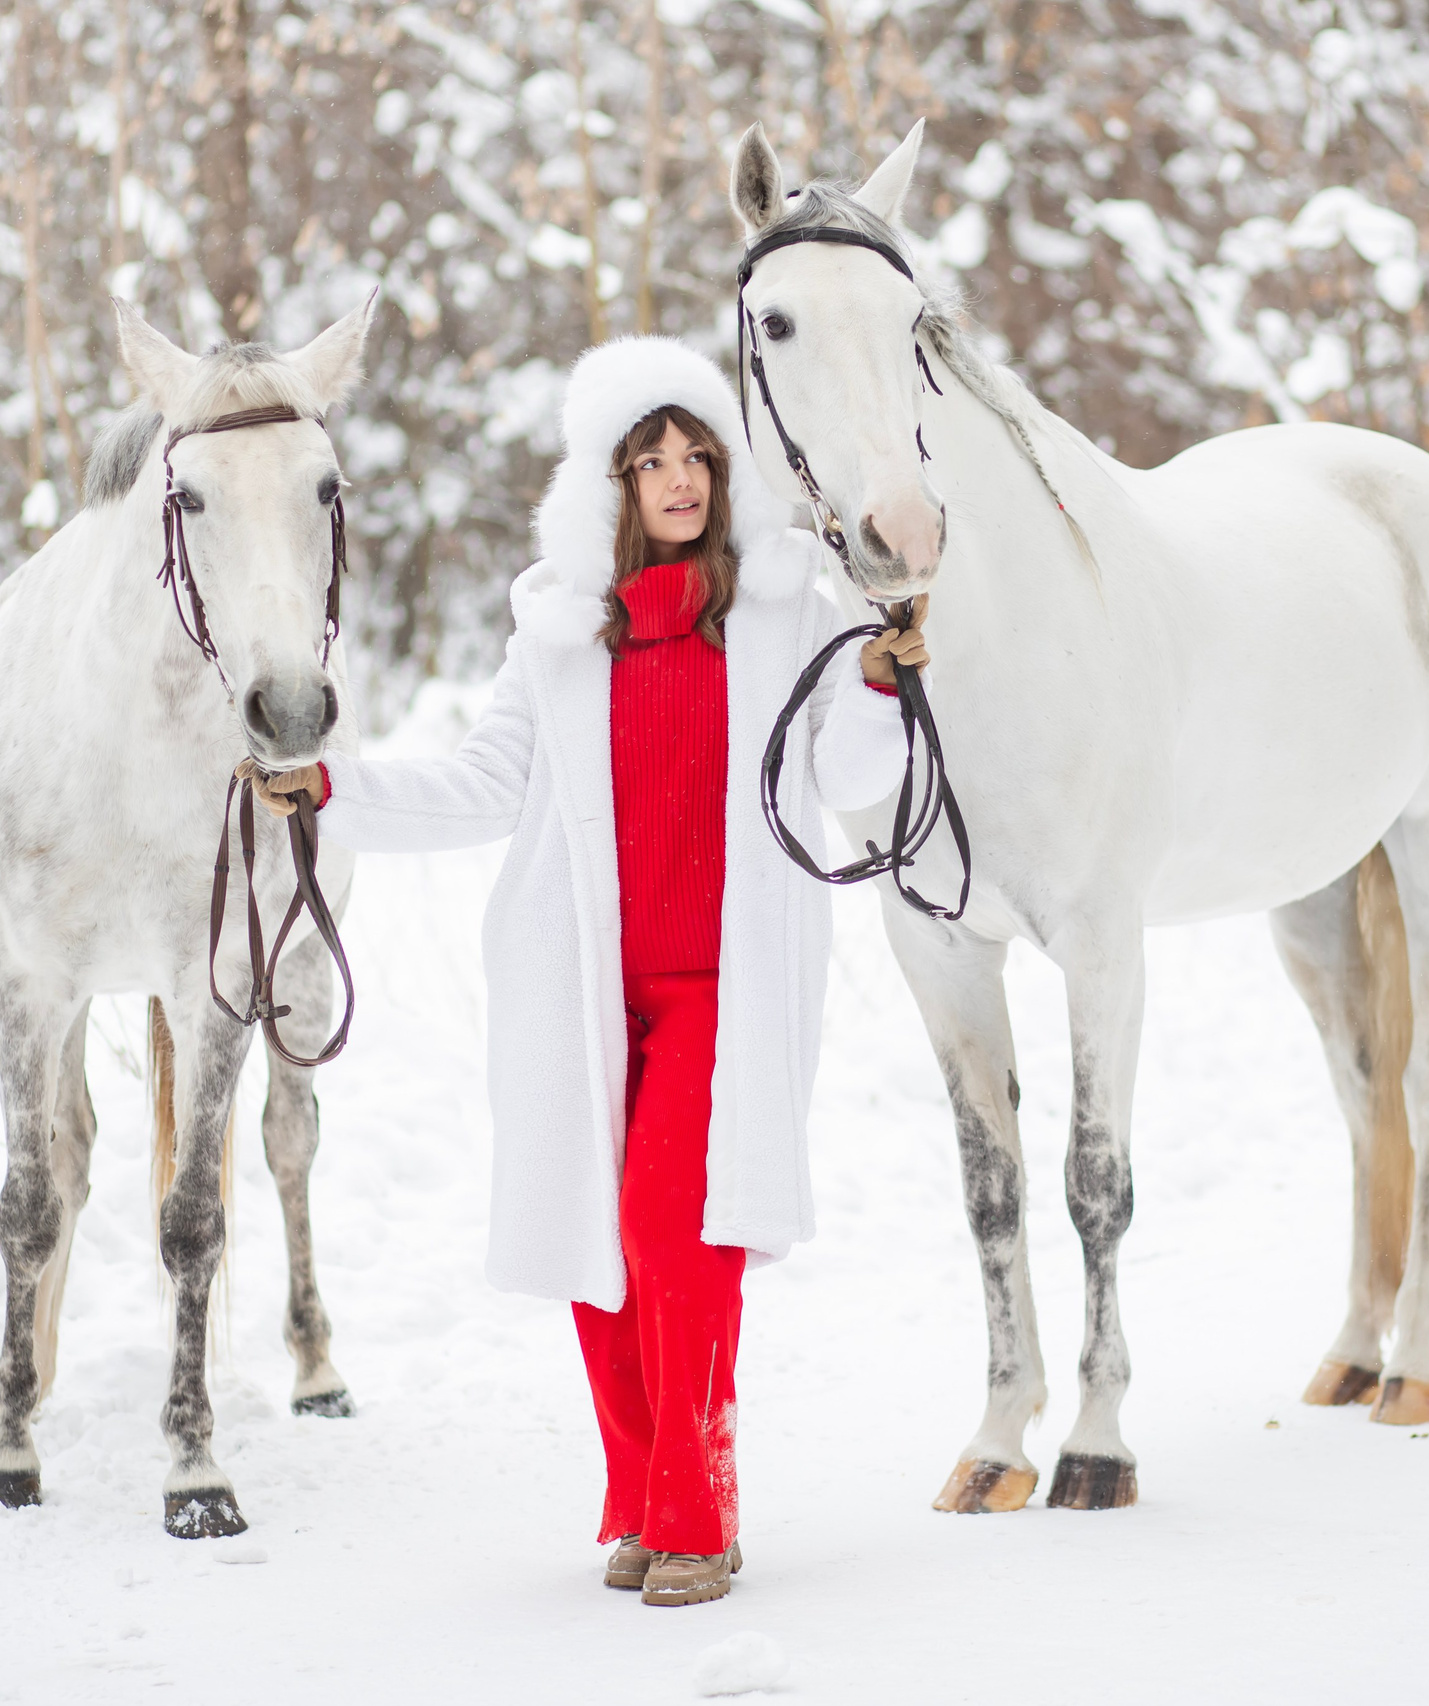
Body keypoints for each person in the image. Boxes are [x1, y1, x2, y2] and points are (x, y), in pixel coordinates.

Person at [245, 337, 926, 1606]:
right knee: (601, 1254)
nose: (677, 481)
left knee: (678, 1233)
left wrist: (881, 690)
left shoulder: (788, 608)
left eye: (696, 457)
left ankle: (698, 1513)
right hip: (589, 990)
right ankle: (644, 1497)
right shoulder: (560, 630)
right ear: (607, 487)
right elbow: (485, 784)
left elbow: (840, 778)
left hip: (726, 982)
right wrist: (334, 789)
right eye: (648, 461)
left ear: (726, 472)